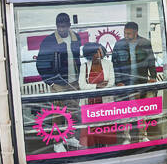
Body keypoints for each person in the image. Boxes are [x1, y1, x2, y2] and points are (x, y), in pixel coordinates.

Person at [36, 12, 82, 152]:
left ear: (69, 25)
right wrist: (50, 82)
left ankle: (69, 136)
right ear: (56, 26)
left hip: (74, 81)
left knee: (73, 111)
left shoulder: (76, 38)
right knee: (58, 114)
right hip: (58, 83)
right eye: (59, 27)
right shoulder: (49, 41)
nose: (61, 29)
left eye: (64, 26)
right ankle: (57, 142)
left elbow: (77, 58)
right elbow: (40, 64)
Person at [78, 42, 117, 147]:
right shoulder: (84, 66)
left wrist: (93, 86)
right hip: (90, 105)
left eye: (100, 51)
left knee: (105, 130)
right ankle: (94, 151)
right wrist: (97, 86)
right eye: (96, 52)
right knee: (92, 133)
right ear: (90, 54)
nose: (99, 54)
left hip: (105, 103)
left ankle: (105, 149)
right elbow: (82, 85)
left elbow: (111, 82)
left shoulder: (108, 64)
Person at [112, 22, 158, 86]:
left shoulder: (145, 43)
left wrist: (153, 77)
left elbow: (151, 62)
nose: (126, 36)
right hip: (124, 82)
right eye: (124, 33)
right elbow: (115, 65)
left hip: (141, 81)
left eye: (128, 34)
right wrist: (118, 81)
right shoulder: (119, 45)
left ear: (136, 33)